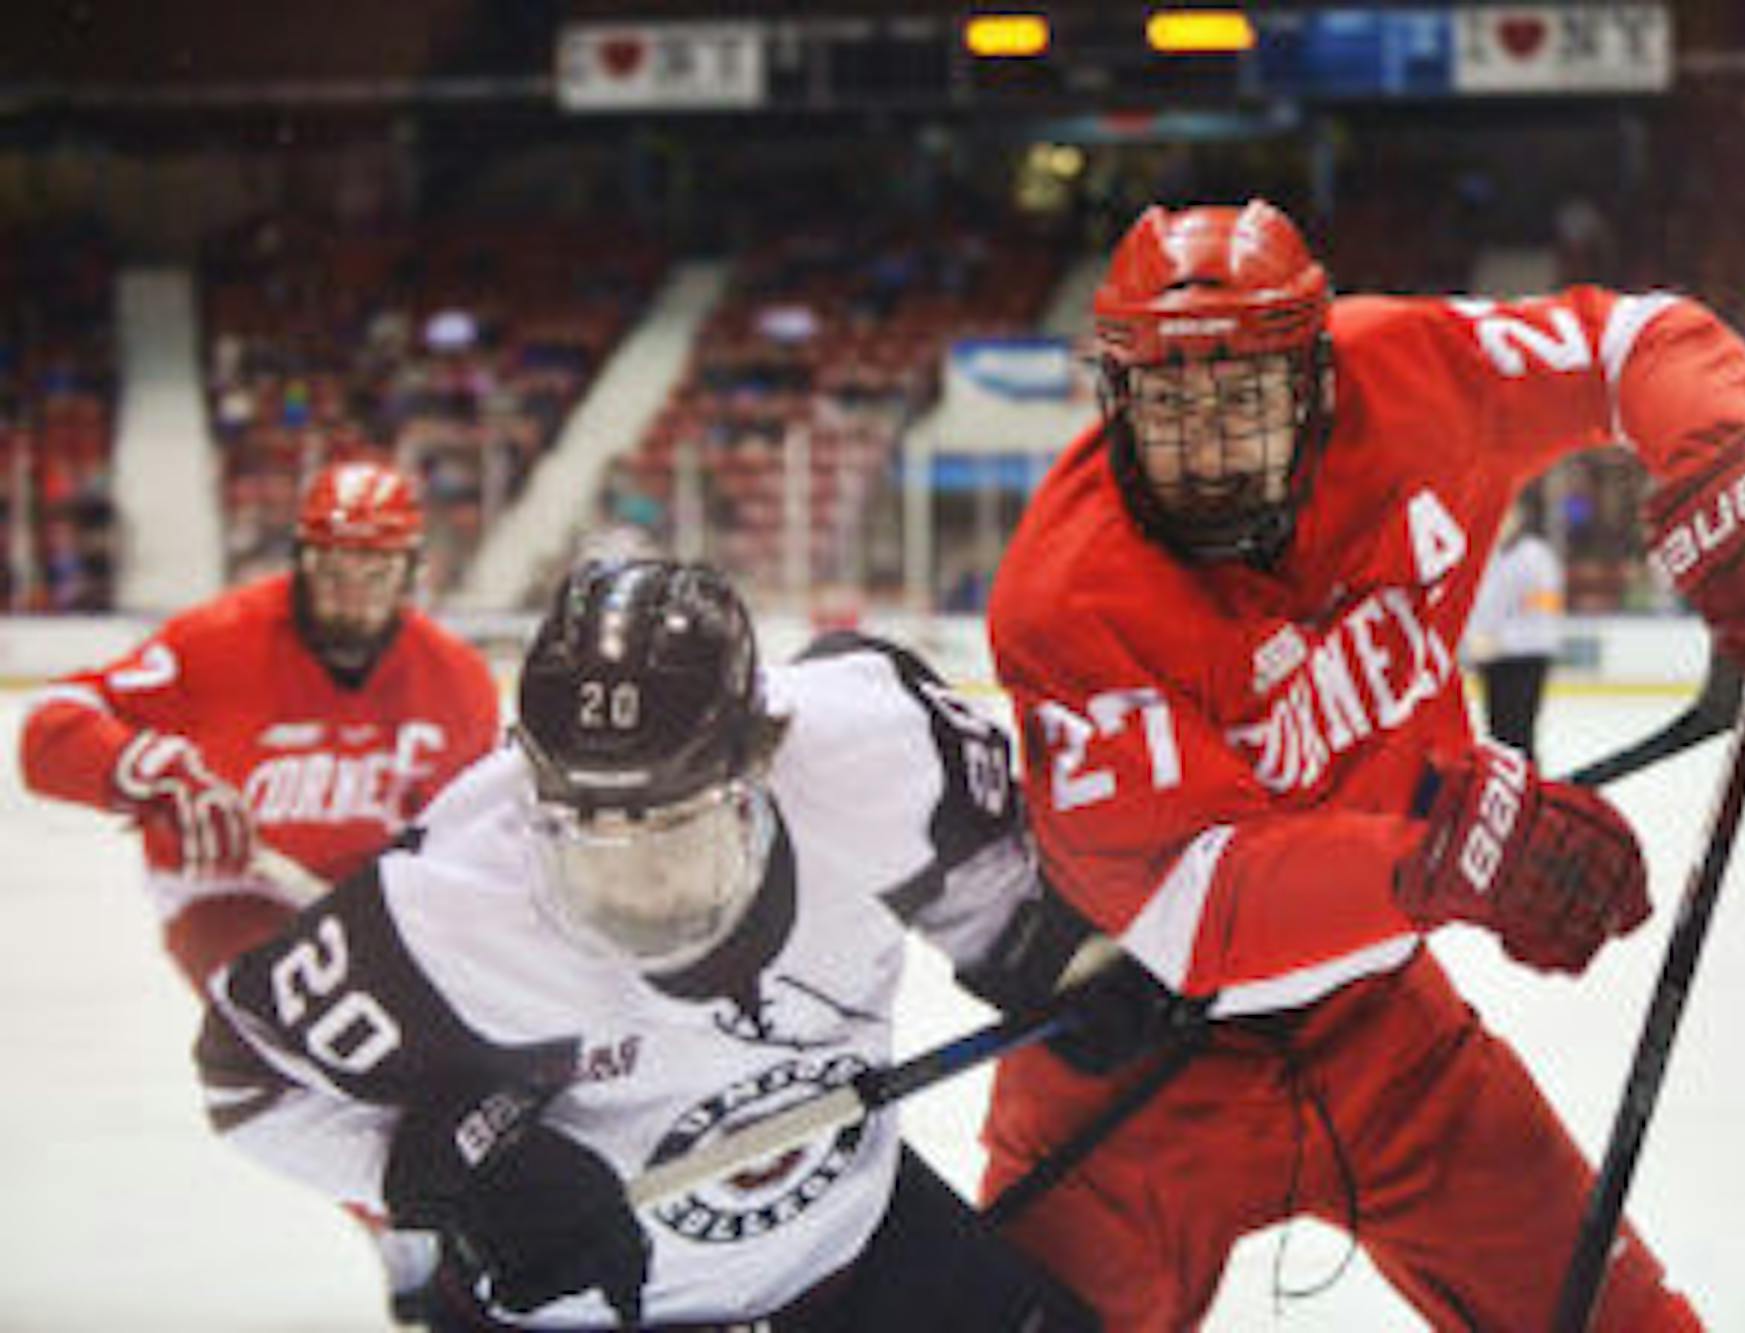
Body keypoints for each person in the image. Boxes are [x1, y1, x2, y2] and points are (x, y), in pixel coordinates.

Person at [978, 200, 1745, 1331]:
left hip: (1383, 1026)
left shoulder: (1402, 371)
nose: (1208, 445)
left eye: (1243, 399)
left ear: (1313, 382)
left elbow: (1629, 341)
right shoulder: (1065, 591)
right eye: (1171, 404)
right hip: (1127, 1065)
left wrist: (1732, 461)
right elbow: (1185, 903)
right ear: (1116, 399)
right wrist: (1443, 858)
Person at [193, 557, 1101, 1333]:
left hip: (848, 1249)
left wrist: (1046, 958)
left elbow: (986, 882)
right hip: (585, 1308)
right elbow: (248, 1076)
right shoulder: (449, 899)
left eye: (673, 833)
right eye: (591, 839)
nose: (636, 894)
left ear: (759, 763)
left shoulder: (876, 741)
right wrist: (471, 1175)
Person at [17, 454, 502, 1319]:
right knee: (320, 1039)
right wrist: (138, 765)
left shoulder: (456, 680)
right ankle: (400, 1225)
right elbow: (49, 727)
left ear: (411, 570)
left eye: (375, 569)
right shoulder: (215, 641)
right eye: (332, 566)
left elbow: (468, 839)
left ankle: (466, 1205)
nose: (351, 590)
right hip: (224, 889)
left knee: (469, 1038)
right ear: (301, 558)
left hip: (369, 897)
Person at [1463, 491, 1565, 763]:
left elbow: (1542, 617)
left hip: (1526, 658)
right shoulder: (1489, 555)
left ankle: (1529, 798)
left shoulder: (1536, 557)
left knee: (1518, 736)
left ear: (1518, 516)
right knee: (1497, 738)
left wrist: (1500, 641)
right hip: (1492, 659)